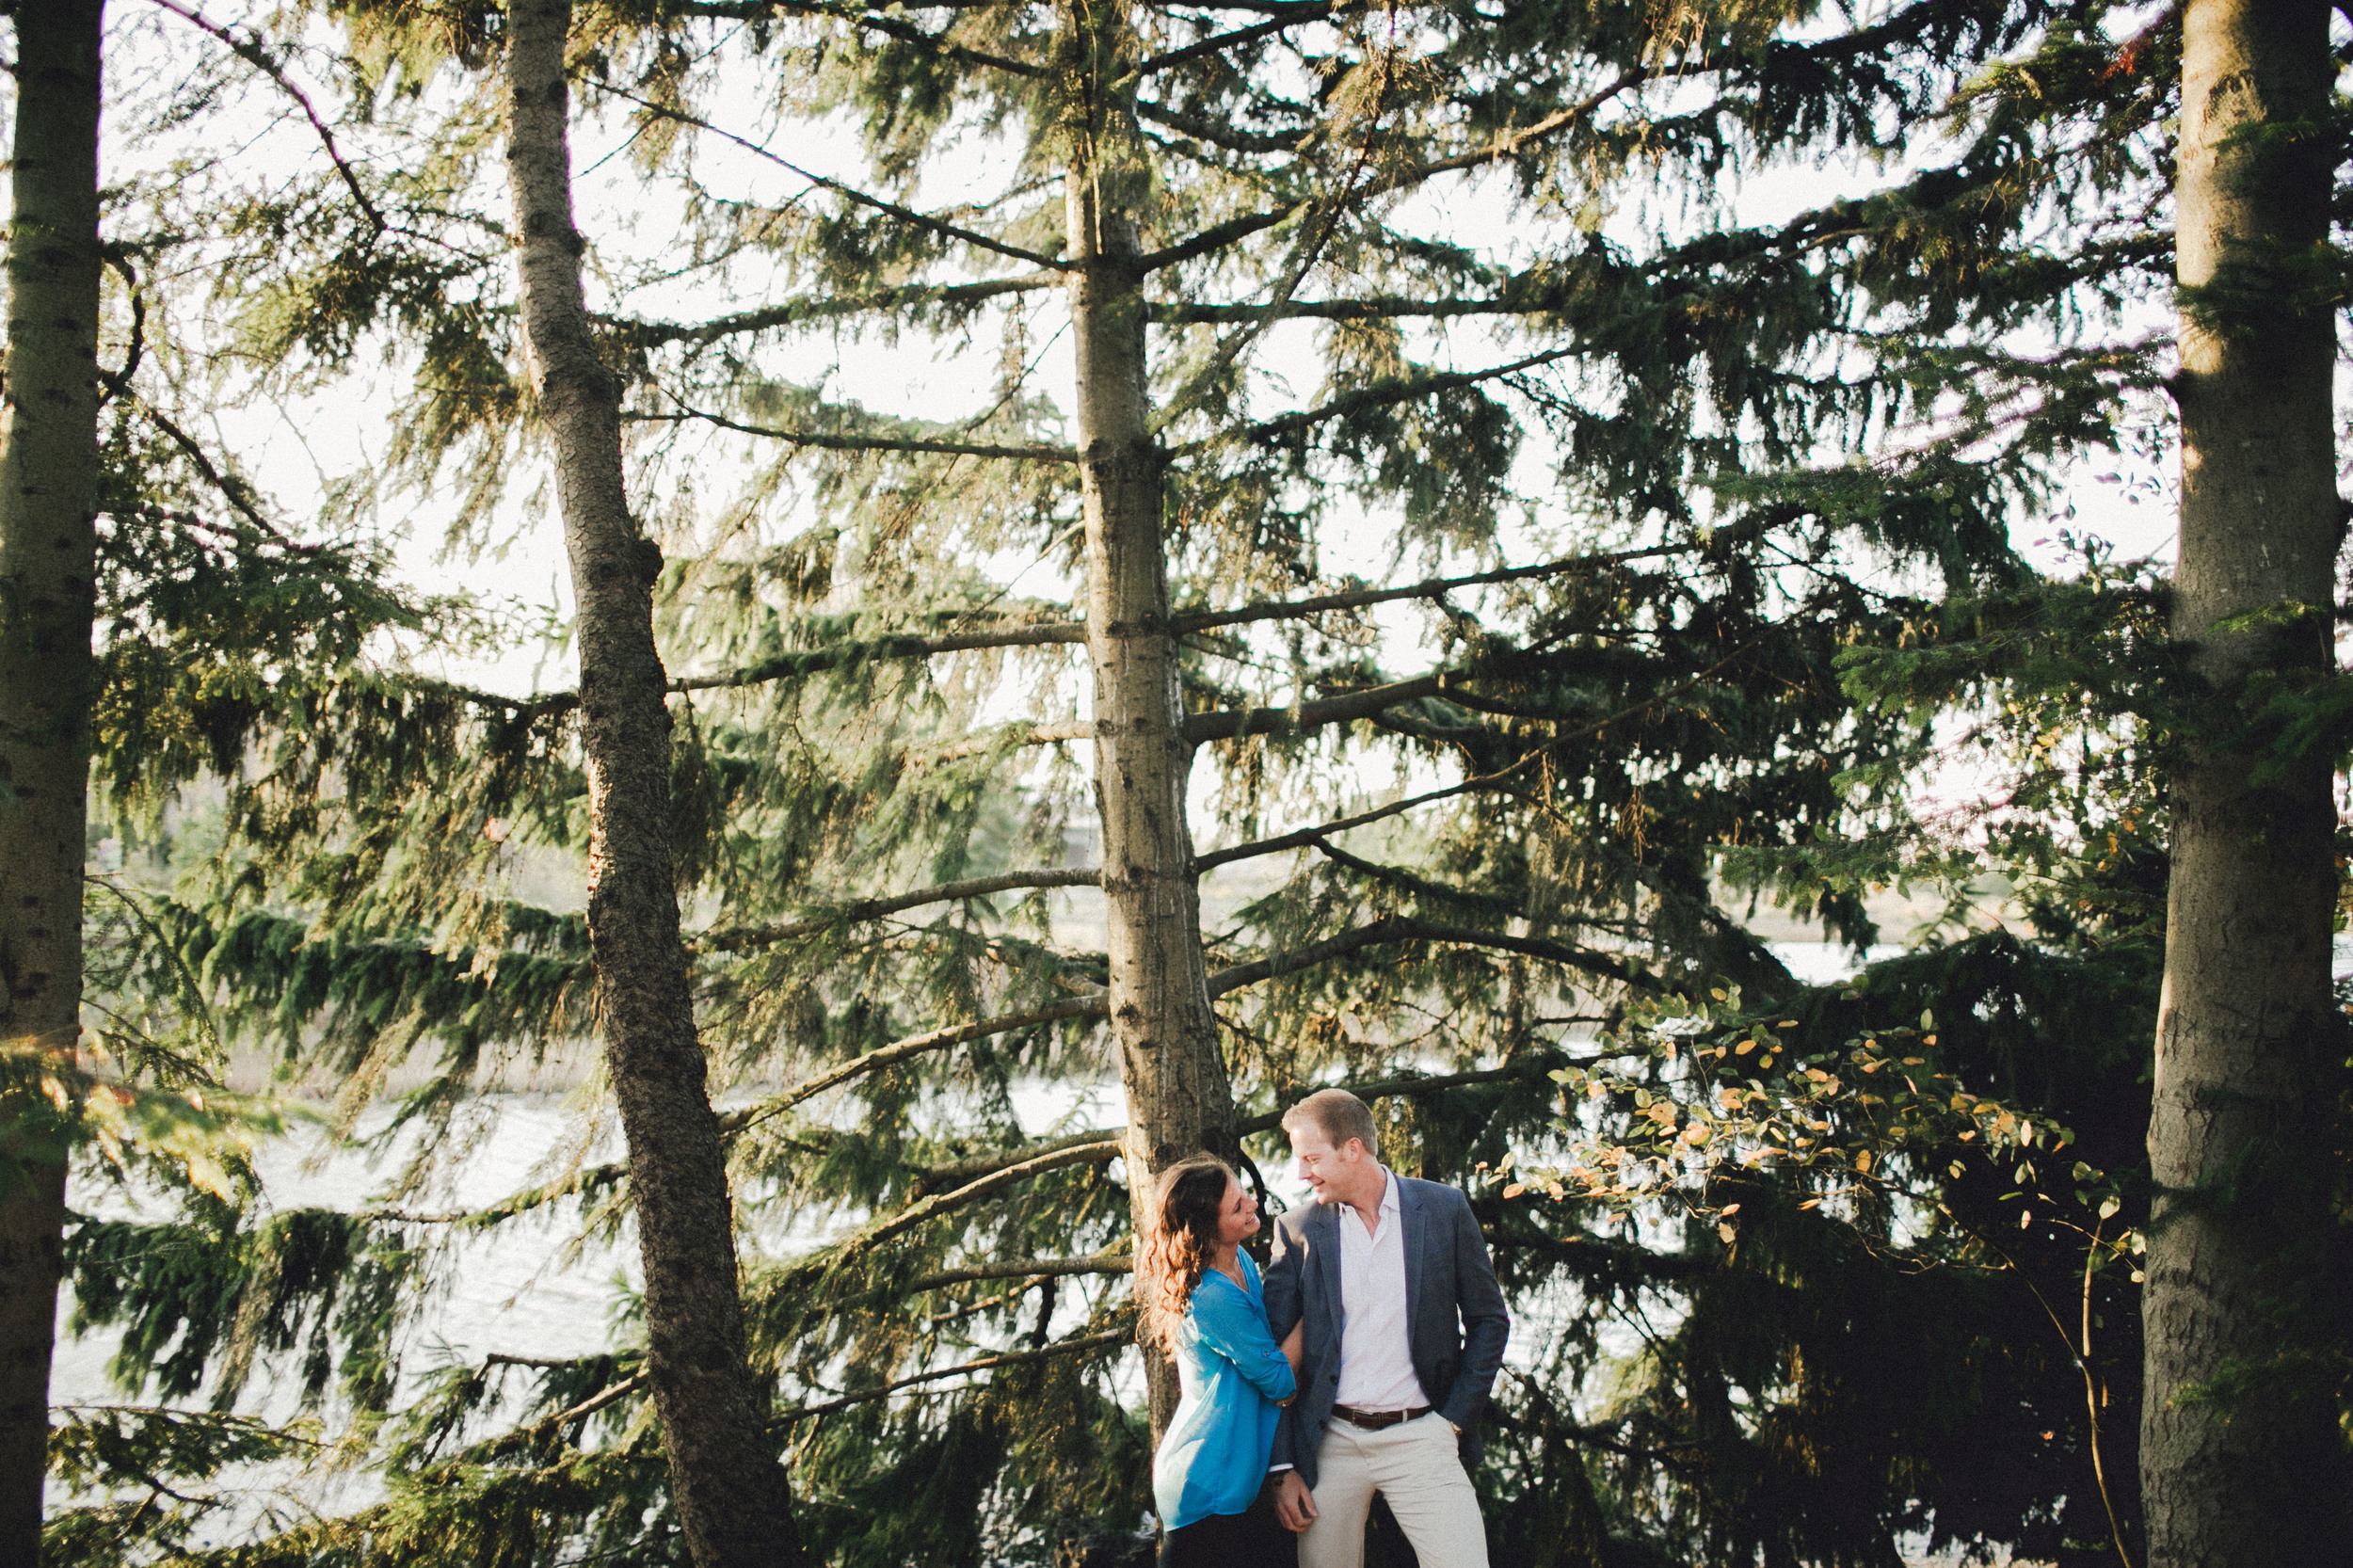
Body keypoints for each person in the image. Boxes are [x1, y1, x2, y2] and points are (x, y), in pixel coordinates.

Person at [1262, 1090, 1510, 1568]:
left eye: (1312, 1158)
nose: (1302, 1173)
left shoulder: (1445, 1210)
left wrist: (1453, 1421)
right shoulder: (1296, 1231)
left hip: (1423, 1437)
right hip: (1329, 1443)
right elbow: (1274, 1364)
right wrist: (1283, 1468)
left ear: (1352, 1149)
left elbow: (1489, 1320)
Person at [1144, 1154, 1306, 1568]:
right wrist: (1321, 1308)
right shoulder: (1211, 1296)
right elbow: (1280, 1382)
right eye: (1237, 1206)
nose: (1253, 1203)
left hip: (1239, 1480)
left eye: (1245, 1195)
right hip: (1207, 1486)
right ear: (1206, 1228)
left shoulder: (1241, 1263)